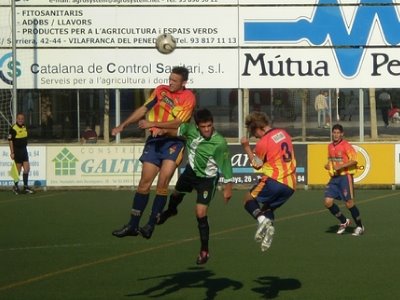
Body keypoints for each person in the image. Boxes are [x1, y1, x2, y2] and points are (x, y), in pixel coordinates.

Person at [111, 66, 196, 240]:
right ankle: (133, 225)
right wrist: (123, 125)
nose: (170, 82)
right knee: (144, 183)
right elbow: (144, 109)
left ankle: (150, 224)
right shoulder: (160, 90)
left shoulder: (188, 98)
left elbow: (179, 123)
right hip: (155, 141)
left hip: (174, 142)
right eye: (170, 79)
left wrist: (153, 124)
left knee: (163, 181)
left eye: (174, 80)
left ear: (184, 83)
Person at [155, 108, 234, 265]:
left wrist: (228, 187)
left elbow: (226, 166)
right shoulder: (190, 130)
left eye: (209, 126)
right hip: (190, 173)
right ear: (197, 126)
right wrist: (162, 130)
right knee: (176, 194)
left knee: (200, 213)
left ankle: (204, 250)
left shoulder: (219, 142)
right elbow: (176, 130)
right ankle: (171, 211)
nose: (207, 129)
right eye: (203, 126)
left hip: (207, 179)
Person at [240, 111, 296, 252]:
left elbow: (256, 164)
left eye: (253, 132)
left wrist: (246, 147)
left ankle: (262, 221)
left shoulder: (263, 142)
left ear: (258, 127)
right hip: (290, 185)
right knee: (267, 208)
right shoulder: (284, 133)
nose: (254, 136)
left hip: (274, 180)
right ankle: (269, 229)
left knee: (247, 199)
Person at [323, 124, 364, 236]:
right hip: (334, 179)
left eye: (338, 133)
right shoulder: (330, 146)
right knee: (327, 202)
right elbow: (331, 161)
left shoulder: (346, 146)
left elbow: (354, 160)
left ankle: (360, 226)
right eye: (334, 132)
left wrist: (340, 167)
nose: (336, 135)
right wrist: (328, 166)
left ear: (342, 134)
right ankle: (343, 221)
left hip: (345, 177)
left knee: (349, 204)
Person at [8, 113, 35, 194]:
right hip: (17, 151)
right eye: (19, 118)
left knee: (27, 169)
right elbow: (10, 141)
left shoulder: (24, 127)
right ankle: (15, 187)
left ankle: (25, 187)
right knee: (18, 170)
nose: (20, 120)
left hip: (24, 150)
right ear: (16, 119)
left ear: (24, 119)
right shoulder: (13, 128)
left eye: (22, 118)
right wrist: (12, 152)